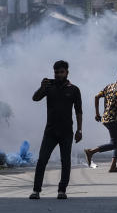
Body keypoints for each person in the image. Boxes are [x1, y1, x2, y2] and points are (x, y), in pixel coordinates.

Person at [29, 60, 83, 200]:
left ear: (67, 72)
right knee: (42, 160)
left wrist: (79, 130)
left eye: (61, 72)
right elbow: (35, 98)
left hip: (66, 132)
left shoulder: (74, 89)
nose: (58, 75)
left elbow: (79, 111)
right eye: (56, 72)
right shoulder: (48, 86)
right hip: (50, 131)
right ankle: (36, 190)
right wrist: (41, 87)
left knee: (65, 161)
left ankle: (62, 190)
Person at [85, 68, 117, 173]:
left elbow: (96, 97)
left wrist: (97, 113)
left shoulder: (109, 86)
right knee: (115, 143)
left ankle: (113, 166)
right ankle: (91, 151)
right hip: (112, 119)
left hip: (105, 118)